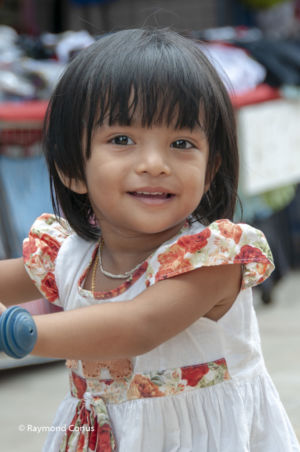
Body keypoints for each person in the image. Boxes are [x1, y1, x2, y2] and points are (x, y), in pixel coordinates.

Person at [0, 28, 299, 452]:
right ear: (71, 169)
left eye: (181, 143)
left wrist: (16, 331)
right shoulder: (69, 257)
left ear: (210, 168)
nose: (155, 164)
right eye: (122, 140)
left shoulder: (212, 259)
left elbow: (138, 326)